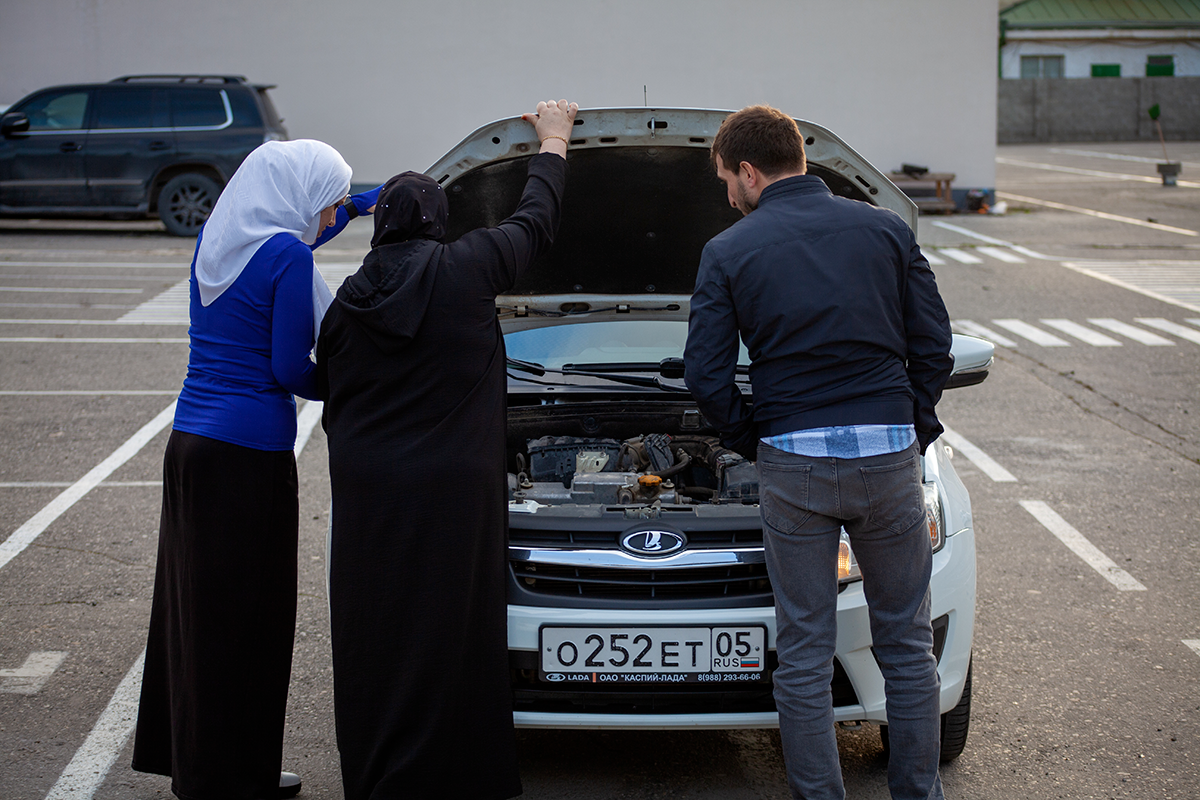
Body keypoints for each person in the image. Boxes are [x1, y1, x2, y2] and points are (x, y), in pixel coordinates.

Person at [683, 105, 953, 800]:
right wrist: (911, 424)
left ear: (748, 171)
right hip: (890, 460)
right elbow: (933, 346)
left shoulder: (730, 250)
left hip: (793, 468)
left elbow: (707, 377)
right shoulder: (886, 230)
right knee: (907, 647)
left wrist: (754, 437)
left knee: (803, 652)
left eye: (725, 181)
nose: (728, 196)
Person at [315, 99, 576, 800]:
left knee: (379, 631)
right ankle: (462, 774)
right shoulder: (467, 267)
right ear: (437, 220)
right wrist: (553, 141)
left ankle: (378, 773)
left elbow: (327, 390)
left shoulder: (347, 302)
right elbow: (535, 222)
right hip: (455, 490)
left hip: (371, 490)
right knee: (453, 631)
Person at [132, 139, 379, 800]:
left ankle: (200, 768)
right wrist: (362, 382)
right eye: (327, 200)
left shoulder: (220, 240)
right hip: (249, 457)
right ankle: (240, 777)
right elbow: (291, 369)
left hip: (190, 448)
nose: (327, 215)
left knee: (197, 615)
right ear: (300, 200)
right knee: (251, 620)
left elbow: (286, 255)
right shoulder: (287, 257)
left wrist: (357, 206)